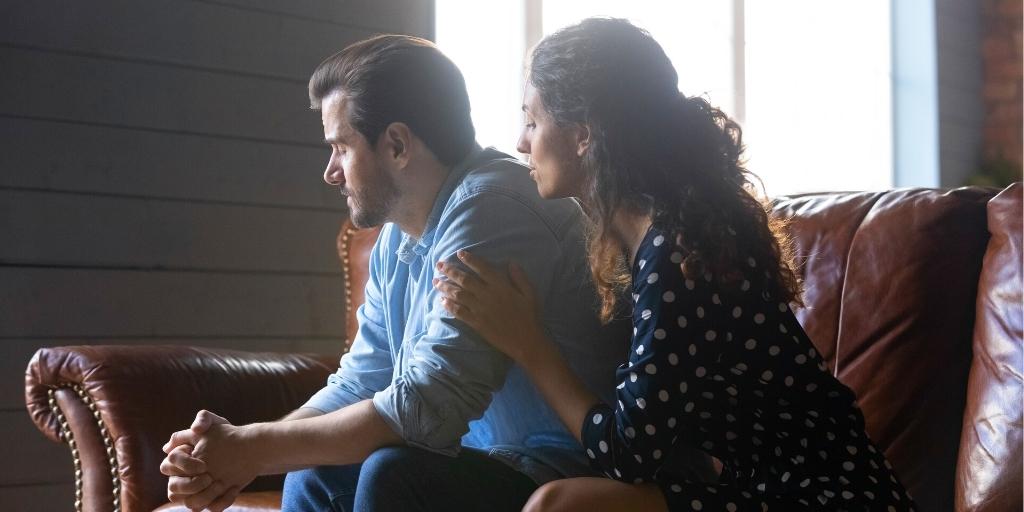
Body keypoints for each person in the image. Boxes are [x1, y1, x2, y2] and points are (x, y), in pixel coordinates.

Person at [434, 18, 917, 511]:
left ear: (583, 135)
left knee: (559, 505)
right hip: (766, 489)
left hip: (831, 500)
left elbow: (628, 455)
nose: (520, 141)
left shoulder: (677, 255)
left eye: (533, 121)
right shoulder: (659, 239)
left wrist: (527, 341)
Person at [157, 34, 632, 512]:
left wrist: (253, 448)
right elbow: (362, 380)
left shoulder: (495, 208)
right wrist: (246, 449)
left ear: (398, 144)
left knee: (394, 473)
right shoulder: (398, 235)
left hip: (563, 473)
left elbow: (425, 406)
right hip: (484, 462)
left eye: (341, 147)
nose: (331, 171)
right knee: (315, 469)